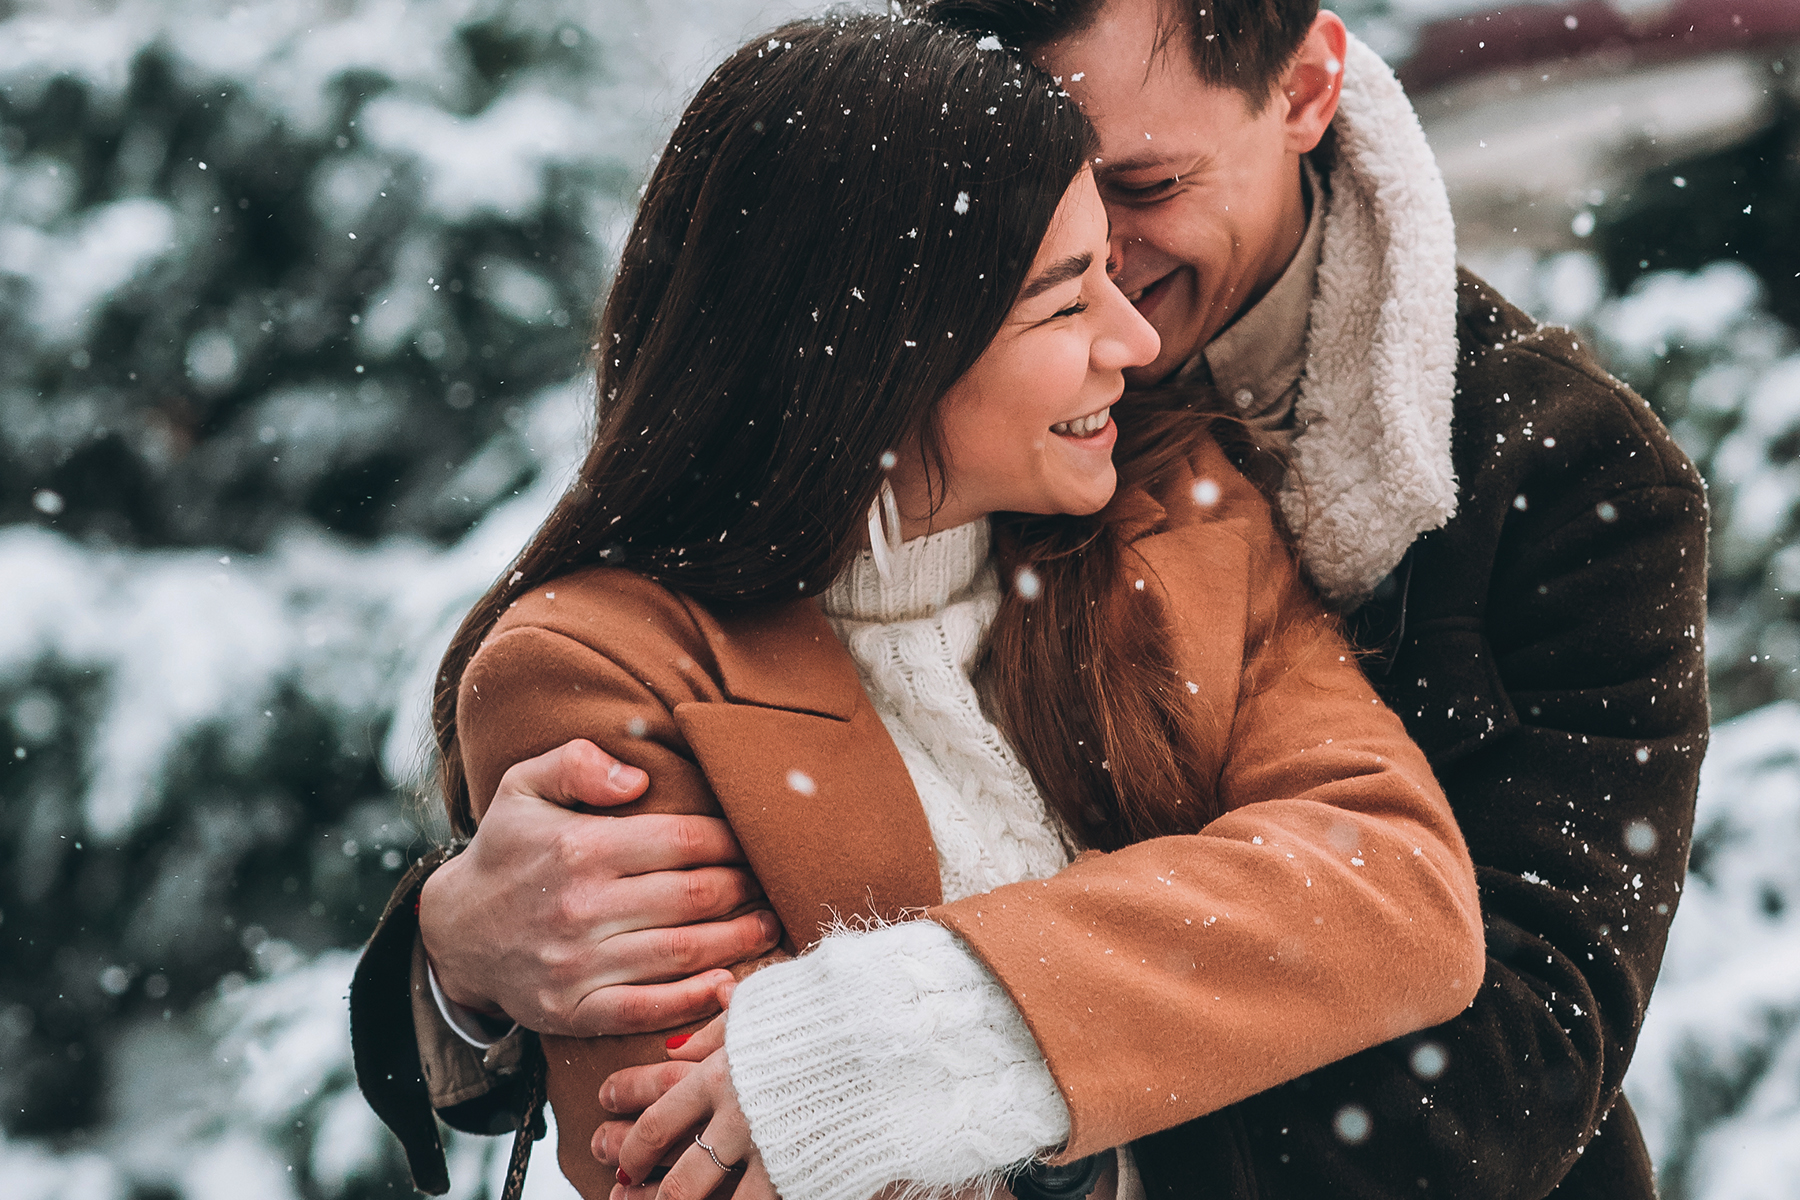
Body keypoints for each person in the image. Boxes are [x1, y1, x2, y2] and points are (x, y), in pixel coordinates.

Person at [355, 1, 1711, 1197]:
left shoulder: (1550, 477)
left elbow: (1512, 1053)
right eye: (1038, 229)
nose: (1109, 269)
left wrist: (949, 1065)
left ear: (1303, 94)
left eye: (1141, 182)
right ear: (903, 298)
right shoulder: (668, 632)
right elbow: (666, 1123)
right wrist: (459, 961)